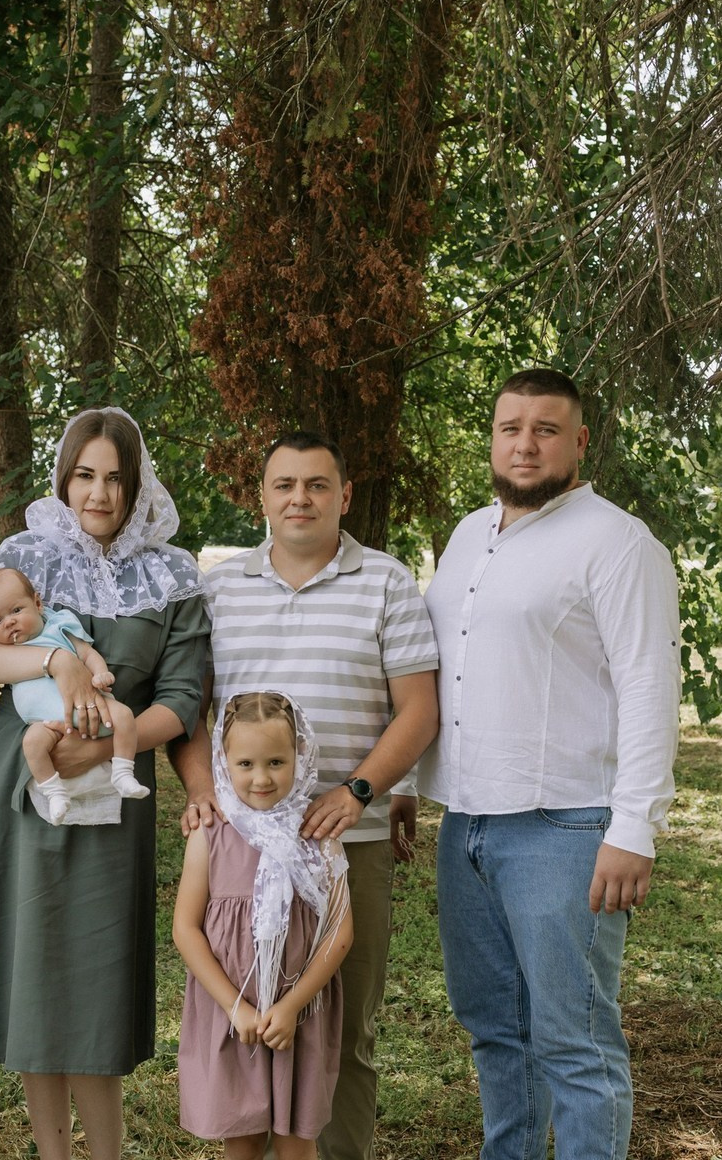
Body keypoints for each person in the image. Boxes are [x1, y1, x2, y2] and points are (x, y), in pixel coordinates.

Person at [417, 368, 681, 1160]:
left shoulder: (617, 541)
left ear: (578, 440)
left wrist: (634, 826)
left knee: (575, 1039)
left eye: (545, 428)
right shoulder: (468, 535)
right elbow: (442, 667)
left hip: (566, 825)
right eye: (511, 427)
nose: (525, 443)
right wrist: (407, 785)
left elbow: (648, 684)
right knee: (495, 1030)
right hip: (466, 822)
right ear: (492, 438)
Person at [0, 407, 209, 1160]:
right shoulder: (23, 559)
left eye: (114, 478)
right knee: (36, 970)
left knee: (93, 980)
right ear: (64, 478)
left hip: (112, 783)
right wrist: (54, 662)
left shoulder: (173, 574)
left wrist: (99, 753)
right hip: (22, 780)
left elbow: (184, 701)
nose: (97, 494)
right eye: (83, 475)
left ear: (136, 487)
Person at [184, 430, 439, 1160]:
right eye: (285, 485)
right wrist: (204, 791)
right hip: (238, 849)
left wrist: (360, 791)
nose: (301, 498)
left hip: (343, 844)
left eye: (317, 485)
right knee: (245, 1024)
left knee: (341, 1029)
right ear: (262, 496)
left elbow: (418, 709)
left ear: (345, 495)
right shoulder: (221, 587)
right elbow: (190, 703)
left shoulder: (387, 582)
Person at [175, 690, 353, 1160]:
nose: (260, 778)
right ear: (223, 762)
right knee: (244, 1136)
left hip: (300, 1013)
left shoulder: (318, 838)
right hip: (232, 1012)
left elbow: (340, 930)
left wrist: (293, 1005)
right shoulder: (210, 836)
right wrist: (235, 1008)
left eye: (276, 762)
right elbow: (185, 929)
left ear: (300, 756)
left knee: (299, 1140)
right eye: (246, 763)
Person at [0, 565, 148, 824]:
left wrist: (100, 672)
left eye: (16, 610)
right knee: (32, 744)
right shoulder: (4, 646)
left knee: (124, 716)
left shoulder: (58, 626)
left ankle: (124, 773)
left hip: (91, 707)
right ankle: (54, 792)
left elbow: (87, 653)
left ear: (37, 603)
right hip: (45, 723)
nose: (9, 622)